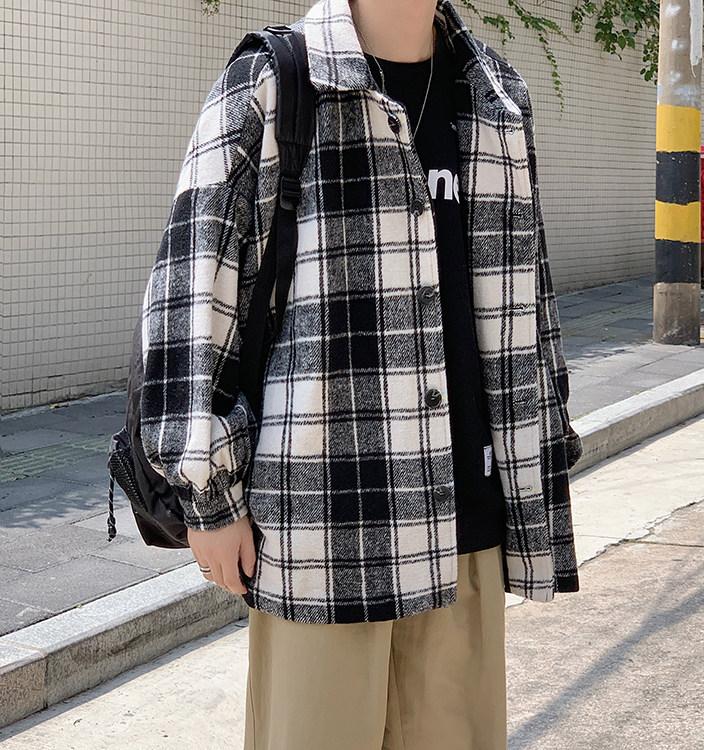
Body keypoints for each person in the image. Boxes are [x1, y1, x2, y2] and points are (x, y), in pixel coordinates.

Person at [139, 0, 583, 747]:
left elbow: (529, 304)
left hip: (466, 520)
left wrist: (542, 464)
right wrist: (207, 495)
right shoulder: (276, 82)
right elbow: (190, 296)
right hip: (327, 528)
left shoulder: (496, 97)